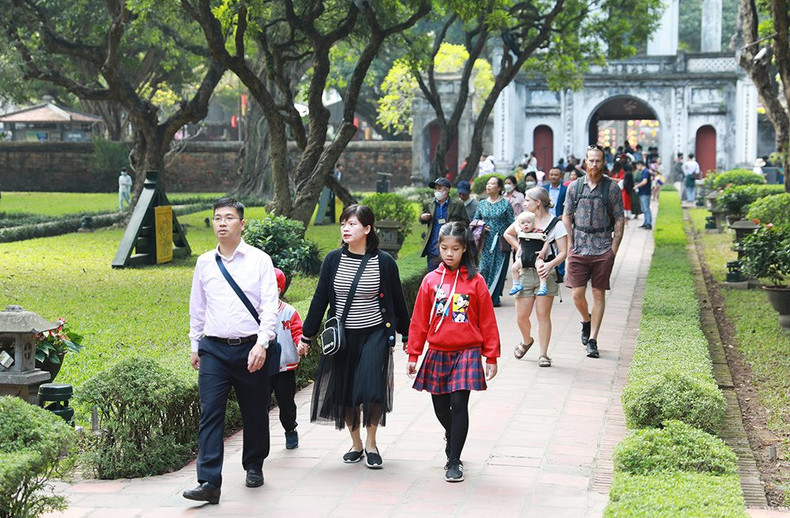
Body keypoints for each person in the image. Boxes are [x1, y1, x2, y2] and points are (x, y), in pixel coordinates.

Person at [184, 198, 279, 505]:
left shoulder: (259, 260)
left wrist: (262, 344)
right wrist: (196, 345)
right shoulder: (204, 262)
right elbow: (197, 307)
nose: (222, 223)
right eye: (217, 218)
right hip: (214, 349)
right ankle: (209, 481)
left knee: (254, 411)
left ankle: (254, 464)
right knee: (210, 413)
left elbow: (269, 307)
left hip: (251, 347)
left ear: (242, 224)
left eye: (228, 218)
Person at [302, 204, 410, 469]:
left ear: (367, 228)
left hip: (374, 334)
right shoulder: (333, 260)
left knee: (371, 388)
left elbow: (397, 300)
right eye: (343, 224)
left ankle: (372, 443)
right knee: (347, 392)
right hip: (343, 338)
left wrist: (408, 334)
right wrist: (306, 336)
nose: (346, 229)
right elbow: (319, 299)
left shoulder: (383, 262)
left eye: (352, 224)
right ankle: (356, 443)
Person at [406, 221, 500, 483]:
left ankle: (454, 460)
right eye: (444, 248)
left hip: (467, 351)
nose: (449, 253)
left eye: (455, 249)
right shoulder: (430, 281)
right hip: (437, 350)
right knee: (440, 407)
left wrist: (491, 356)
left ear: (464, 249)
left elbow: (487, 321)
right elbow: (419, 319)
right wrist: (413, 354)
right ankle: (453, 433)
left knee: (459, 404)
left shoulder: (476, 281)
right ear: (438, 247)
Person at [562, 145, 625, 359]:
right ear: (585, 162)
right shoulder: (575, 186)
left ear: (603, 162)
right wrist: (569, 243)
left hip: (602, 247)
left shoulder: (612, 188)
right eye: (591, 160)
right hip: (579, 246)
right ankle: (586, 320)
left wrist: (613, 249)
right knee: (577, 294)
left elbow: (619, 218)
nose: (594, 165)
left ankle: (593, 339)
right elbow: (566, 215)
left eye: (598, 161)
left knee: (598, 293)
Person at [504, 187, 567, 367]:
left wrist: (550, 265)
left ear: (538, 202)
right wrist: (521, 249)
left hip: (545, 273)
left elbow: (564, 252)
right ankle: (527, 340)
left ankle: (544, 354)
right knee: (521, 316)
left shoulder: (556, 224)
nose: (524, 204)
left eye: (527, 200)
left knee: (543, 315)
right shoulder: (523, 219)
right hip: (524, 272)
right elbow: (508, 234)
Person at [270, 268, 307, 450]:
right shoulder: (254, 311)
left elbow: (298, 331)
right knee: (258, 404)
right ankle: (259, 437)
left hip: (285, 367)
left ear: (279, 290)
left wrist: (300, 344)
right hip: (262, 368)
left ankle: (290, 429)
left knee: (286, 404)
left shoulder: (289, 312)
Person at [473, 176, 515, 307]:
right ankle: (483, 296)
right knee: (484, 268)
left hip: (501, 243)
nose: (488, 186)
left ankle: (494, 297)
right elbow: (475, 220)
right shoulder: (481, 204)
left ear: (499, 187)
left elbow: (512, 223)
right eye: (488, 183)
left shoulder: (506, 204)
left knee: (499, 269)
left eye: (492, 184)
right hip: (485, 243)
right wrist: (481, 226)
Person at [420, 178, 470, 272]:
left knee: (451, 274)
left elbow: (466, 222)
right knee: (433, 275)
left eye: (439, 188)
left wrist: (454, 225)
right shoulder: (428, 203)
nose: (436, 191)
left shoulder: (457, 204)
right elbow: (422, 219)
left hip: (450, 247)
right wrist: (422, 218)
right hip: (433, 248)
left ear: (447, 190)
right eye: (435, 189)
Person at [507, 211, 550, 297]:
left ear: (533, 223)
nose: (525, 225)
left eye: (528, 222)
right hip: (524, 257)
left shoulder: (538, 232)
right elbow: (520, 245)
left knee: (541, 269)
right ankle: (516, 284)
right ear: (519, 225)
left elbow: (546, 241)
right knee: (514, 268)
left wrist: (543, 251)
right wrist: (519, 251)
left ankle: (543, 286)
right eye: (522, 223)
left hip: (536, 257)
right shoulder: (521, 234)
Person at [633, 161, 652, 230]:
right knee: (644, 208)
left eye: (637, 166)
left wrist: (637, 186)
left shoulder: (645, 172)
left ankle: (648, 223)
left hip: (645, 193)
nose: (637, 168)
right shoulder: (644, 171)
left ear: (640, 165)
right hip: (643, 192)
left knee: (646, 208)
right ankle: (646, 222)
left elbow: (644, 181)